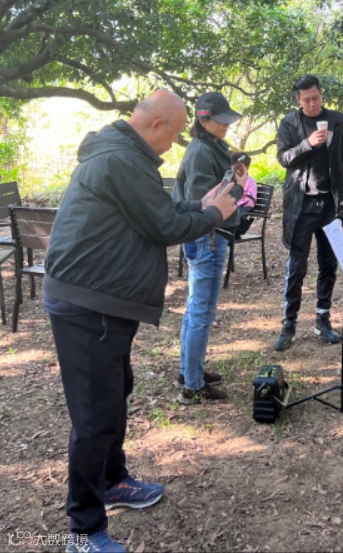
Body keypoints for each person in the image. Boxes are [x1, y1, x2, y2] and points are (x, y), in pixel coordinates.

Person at [44, 90, 238, 553]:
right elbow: (165, 227)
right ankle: (84, 531)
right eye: (175, 132)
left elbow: (159, 212)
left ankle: (112, 481)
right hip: (88, 305)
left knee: (115, 395)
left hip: (106, 302)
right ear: (156, 126)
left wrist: (201, 205)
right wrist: (215, 213)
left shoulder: (125, 156)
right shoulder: (120, 160)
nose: (176, 142)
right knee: (94, 417)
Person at [173, 92, 248, 404]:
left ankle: (189, 371)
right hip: (208, 236)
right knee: (202, 312)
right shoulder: (202, 151)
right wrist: (239, 186)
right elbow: (208, 201)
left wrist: (234, 172)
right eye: (221, 121)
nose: (226, 125)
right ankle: (193, 386)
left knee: (196, 308)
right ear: (203, 121)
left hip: (207, 236)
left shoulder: (210, 146)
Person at [273, 74, 343, 351]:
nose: (312, 104)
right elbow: (283, 158)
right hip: (302, 205)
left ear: (321, 95)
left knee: (328, 263)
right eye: (306, 100)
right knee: (297, 266)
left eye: (316, 98)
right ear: (298, 100)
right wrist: (307, 144)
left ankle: (323, 319)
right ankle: (289, 325)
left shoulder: (336, 120)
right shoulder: (289, 123)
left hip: (331, 204)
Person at [231, 153, 257, 234]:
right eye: (235, 167)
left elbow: (250, 201)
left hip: (243, 207)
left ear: (247, 168)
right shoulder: (229, 179)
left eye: (240, 167)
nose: (237, 170)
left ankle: (237, 231)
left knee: (235, 214)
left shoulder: (251, 182)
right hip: (231, 206)